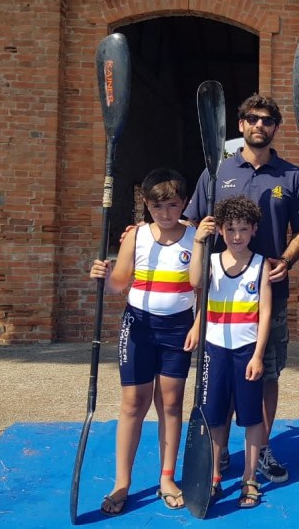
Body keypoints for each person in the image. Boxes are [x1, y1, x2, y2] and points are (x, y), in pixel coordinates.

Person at [185, 93, 299, 482]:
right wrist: (147, 233)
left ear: (275, 128)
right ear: (241, 125)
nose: (259, 125)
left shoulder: (291, 176)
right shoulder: (216, 172)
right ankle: (218, 451)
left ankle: (263, 447)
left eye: (267, 120)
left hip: (270, 294)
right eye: (252, 119)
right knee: (220, 378)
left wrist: (285, 261)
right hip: (221, 296)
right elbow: (192, 224)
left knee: (266, 374)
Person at [89, 168, 199, 516]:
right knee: (133, 403)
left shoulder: (195, 236)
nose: (165, 213)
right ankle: (122, 482)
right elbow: (118, 283)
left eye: (173, 205)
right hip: (138, 326)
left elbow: (204, 287)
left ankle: (167, 478)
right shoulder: (136, 236)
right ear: (147, 206)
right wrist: (105, 275)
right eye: (157, 207)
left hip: (178, 328)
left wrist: (198, 325)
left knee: (170, 403)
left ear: (184, 203)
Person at [189, 195, 271, 509]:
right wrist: (199, 241)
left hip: (247, 350)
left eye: (243, 229)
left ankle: (250, 478)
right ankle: (212, 475)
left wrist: (258, 355)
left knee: (252, 417)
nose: (237, 236)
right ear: (221, 230)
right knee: (213, 416)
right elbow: (195, 282)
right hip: (215, 349)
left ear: (253, 230)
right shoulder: (211, 261)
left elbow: (265, 313)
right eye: (231, 229)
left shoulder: (261, 264)